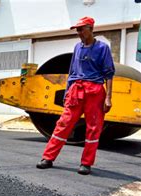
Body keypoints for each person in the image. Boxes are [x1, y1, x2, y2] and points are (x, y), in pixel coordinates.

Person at [36, 17, 114, 175]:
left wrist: (108, 98)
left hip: (94, 91)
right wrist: (67, 93)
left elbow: (109, 74)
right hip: (76, 90)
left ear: (90, 28)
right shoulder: (77, 47)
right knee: (63, 123)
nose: (78, 33)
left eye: (81, 29)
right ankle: (48, 158)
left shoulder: (102, 48)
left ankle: (86, 163)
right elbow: (72, 72)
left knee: (93, 128)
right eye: (77, 30)